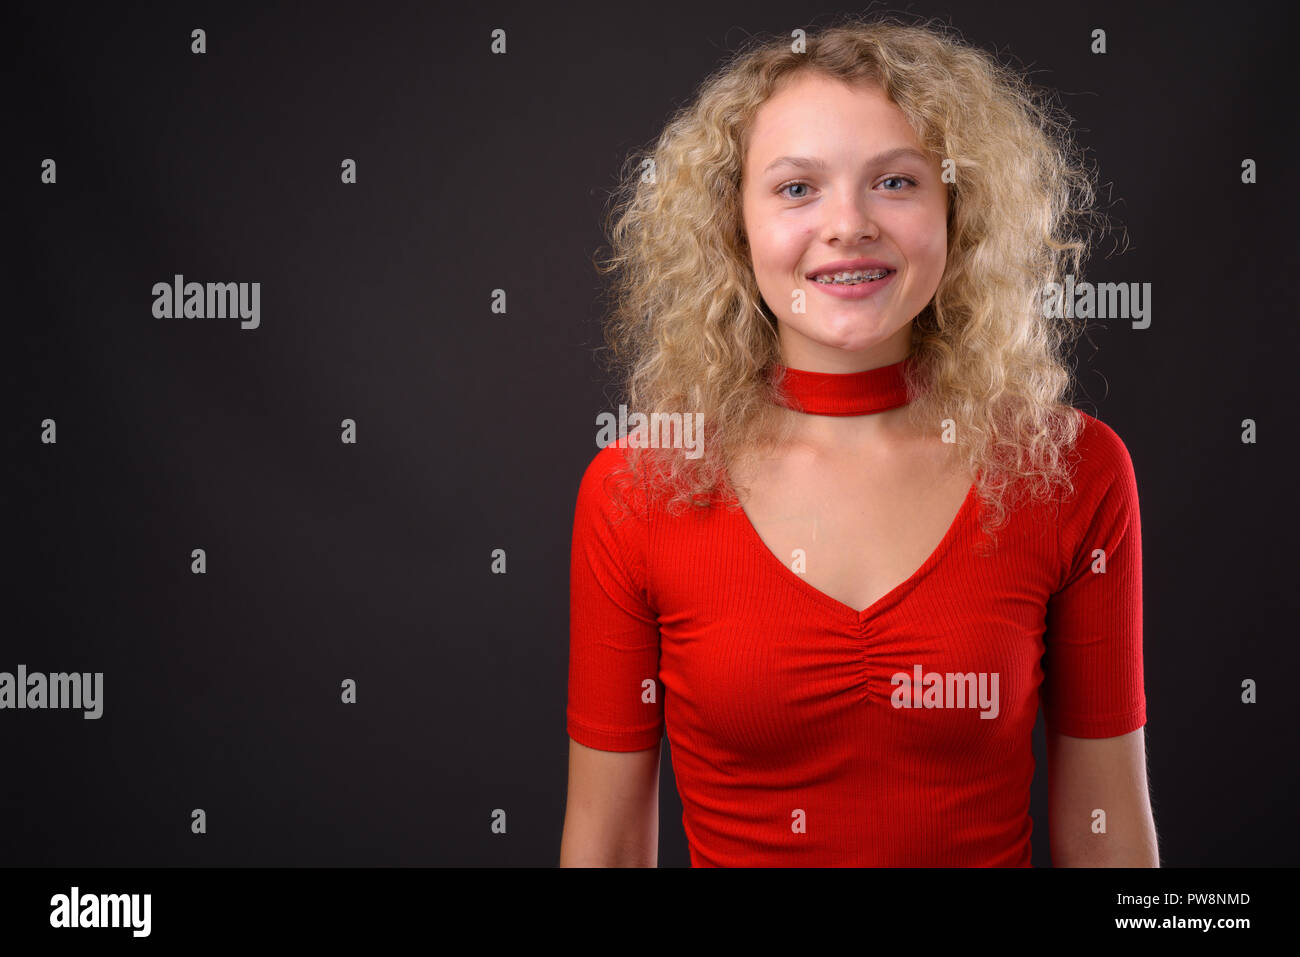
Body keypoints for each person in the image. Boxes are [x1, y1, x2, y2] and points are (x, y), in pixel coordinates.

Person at [560, 15, 1158, 867]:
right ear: (734, 228)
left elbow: (1110, 839)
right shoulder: (635, 486)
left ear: (961, 210)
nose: (848, 224)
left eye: (896, 182)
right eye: (797, 188)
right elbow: (608, 844)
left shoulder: (1072, 470)